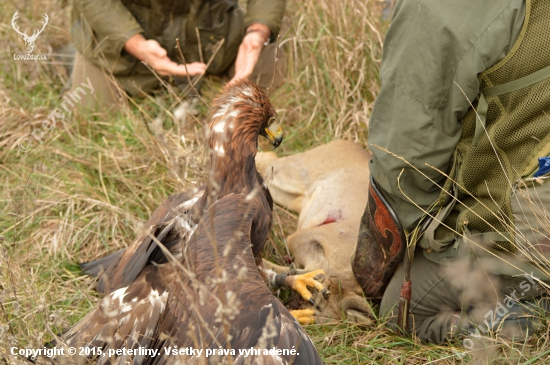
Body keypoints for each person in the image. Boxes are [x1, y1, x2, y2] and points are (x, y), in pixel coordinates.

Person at [352, 0, 550, 344]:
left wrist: (384, 258)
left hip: (535, 222)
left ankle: (530, 312)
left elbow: (406, 162)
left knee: (403, 309)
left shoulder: (436, 9)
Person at [68, 0, 286, 111]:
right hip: (126, 39)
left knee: (271, 78)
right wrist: (135, 44)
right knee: (90, 113)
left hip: (212, 32)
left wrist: (258, 31)